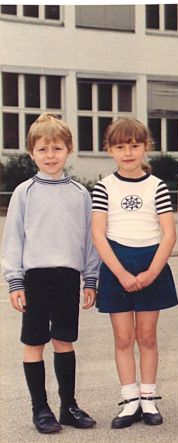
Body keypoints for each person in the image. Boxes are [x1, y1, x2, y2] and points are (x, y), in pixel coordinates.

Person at [2, 113, 100, 434]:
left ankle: (68, 406)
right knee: (33, 341)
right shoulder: (24, 193)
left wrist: (91, 278)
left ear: (68, 150)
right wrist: (14, 280)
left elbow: (89, 240)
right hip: (34, 278)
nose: (50, 156)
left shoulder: (80, 194)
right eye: (42, 150)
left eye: (57, 148)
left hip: (67, 278)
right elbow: (13, 239)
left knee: (64, 340)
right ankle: (40, 409)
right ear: (32, 153)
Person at [91, 118, 178, 429]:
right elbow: (98, 234)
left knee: (147, 336)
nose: (127, 153)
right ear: (109, 150)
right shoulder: (104, 187)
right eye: (120, 146)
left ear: (146, 147)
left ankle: (148, 398)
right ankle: (129, 401)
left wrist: (152, 271)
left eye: (134, 146)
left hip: (150, 263)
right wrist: (121, 274)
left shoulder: (157, 187)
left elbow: (168, 233)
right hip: (117, 265)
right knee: (123, 337)